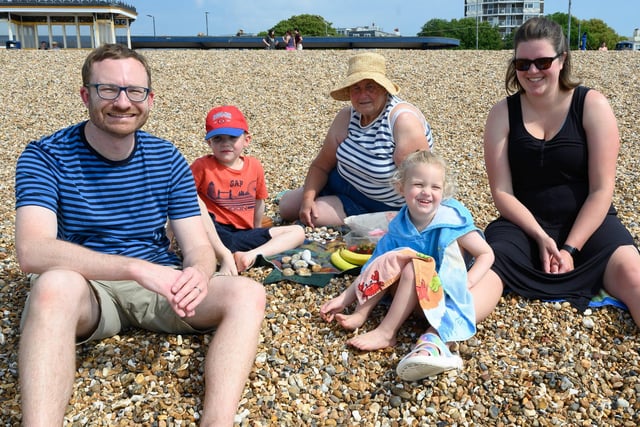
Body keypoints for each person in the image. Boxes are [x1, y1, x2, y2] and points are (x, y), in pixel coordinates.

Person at [14, 43, 266, 426]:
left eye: (135, 91)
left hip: (160, 284)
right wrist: (134, 268)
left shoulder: (167, 158)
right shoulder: (45, 156)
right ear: (85, 95)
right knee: (53, 287)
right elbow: (33, 250)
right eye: (108, 89)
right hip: (87, 287)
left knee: (248, 292)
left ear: (150, 98)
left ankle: (217, 421)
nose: (122, 102)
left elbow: (197, 244)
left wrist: (197, 273)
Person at [482, 17, 640, 326]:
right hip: (523, 226)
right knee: (485, 269)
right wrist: (541, 237)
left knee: (634, 275)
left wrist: (569, 248)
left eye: (542, 61)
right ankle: (436, 338)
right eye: (523, 64)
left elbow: (601, 190)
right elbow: (501, 191)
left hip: (590, 224)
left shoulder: (591, 104)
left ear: (562, 59)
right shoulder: (503, 112)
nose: (532, 72)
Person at [320, 150, 494, 381]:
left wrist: (469, 281)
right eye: (418, 184)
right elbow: (373, 268)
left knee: (414, 266)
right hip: (411, 297)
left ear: (444, 192)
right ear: (401, 187)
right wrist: (345, 298)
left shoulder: (450, 223)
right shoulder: (399, 227)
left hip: (441, 299)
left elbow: (486, 254)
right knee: (388, 259)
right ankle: (362, 313)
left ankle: (386, 332)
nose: (426, 192)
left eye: (435, 187)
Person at [278, 52, 434, 227]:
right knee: (286, 207)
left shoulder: (402, 121)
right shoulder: (347, 116)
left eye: (370, 87)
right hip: (342, 181)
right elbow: (321, 165)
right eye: (356, 88)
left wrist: (410, 225)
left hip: (382, 204)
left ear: (384, 88)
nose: (362, 95)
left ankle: (360, 216)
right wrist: (308, 198)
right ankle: (322, 196)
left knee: (314, 217)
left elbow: (422, 182)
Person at [191, 105, 306, 271]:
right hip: (213, 233)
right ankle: (225, 256)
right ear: (209, 142)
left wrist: (256, 231)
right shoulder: (203, 166)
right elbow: (181, 202)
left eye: (232, 137)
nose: (225, 144)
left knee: (298, 232)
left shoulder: (254, 166)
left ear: (246, 140)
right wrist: (170, 238)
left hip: (241, 235)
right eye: (218, 139)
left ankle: (249, 256)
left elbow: (258, 202)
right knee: (194, 203)